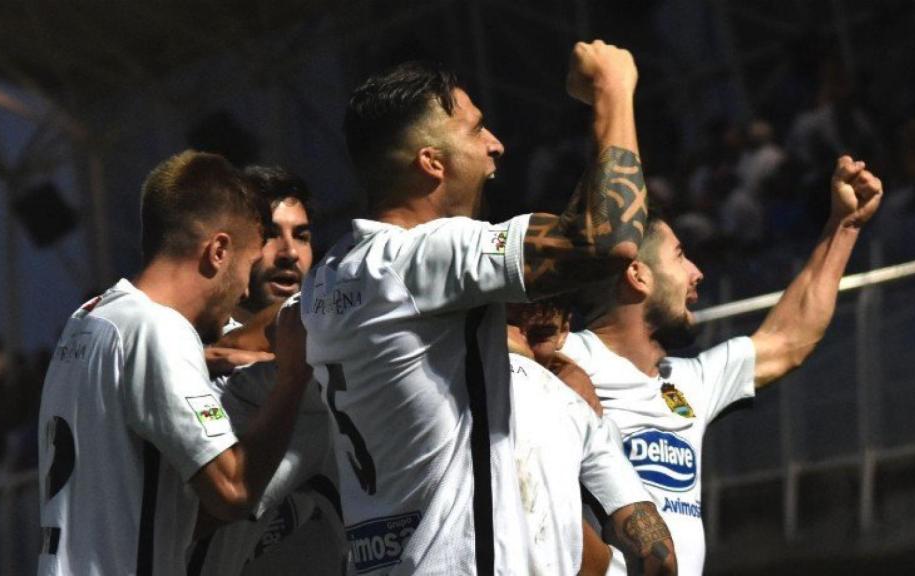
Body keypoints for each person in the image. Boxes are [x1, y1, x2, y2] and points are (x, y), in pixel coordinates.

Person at [297, 41, 675, 575]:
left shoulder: (330, 275)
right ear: (431, 162)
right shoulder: (426, 255)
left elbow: (277, 331)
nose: (496, 146)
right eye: (476, 130)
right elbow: (606, 240)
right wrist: (613, 91)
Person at [561, 156, 884, 576]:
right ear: (638, 275)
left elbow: (788, 340)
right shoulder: (565, 360)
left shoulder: (688, 382)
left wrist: (845, 225)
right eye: (679, 257)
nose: (697, 273)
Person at [36, 151, 311, 575]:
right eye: (246, 264)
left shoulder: (89, 318)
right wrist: (292, 377)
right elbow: (233, 489)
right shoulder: (159, 330)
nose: (242, 291)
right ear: (218, 250)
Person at [190, 165, 348, 575]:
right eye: (271, 234)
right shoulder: (177, 355)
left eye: (302, 235)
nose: (290, 252)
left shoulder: (329, 363)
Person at [506, 319, 673, 575]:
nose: (525, 348)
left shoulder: (579, 405)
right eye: (512, 325)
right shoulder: (577, 402)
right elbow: (661, 558)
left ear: (563, 334)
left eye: (540, 335)